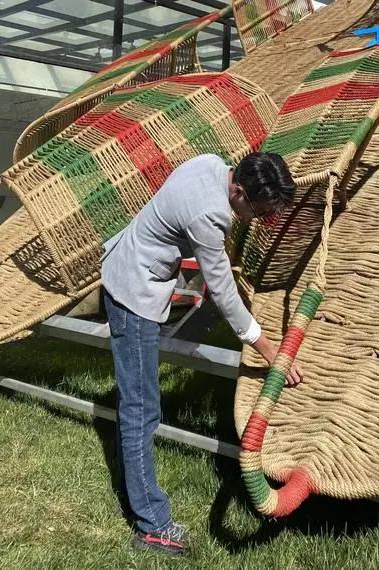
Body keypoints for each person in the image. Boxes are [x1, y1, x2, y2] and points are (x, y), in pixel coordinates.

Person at [100, 152, 303, 556]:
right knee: (141, 410)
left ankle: (135, 489)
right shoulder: (210, 216)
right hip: (134, 293)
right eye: (259, 211)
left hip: (128, 264)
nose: (259, 220)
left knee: (138, 406)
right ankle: (152, 526)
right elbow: (223, 291)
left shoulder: (212, 164)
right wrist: (267, 348)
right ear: (239, 191)